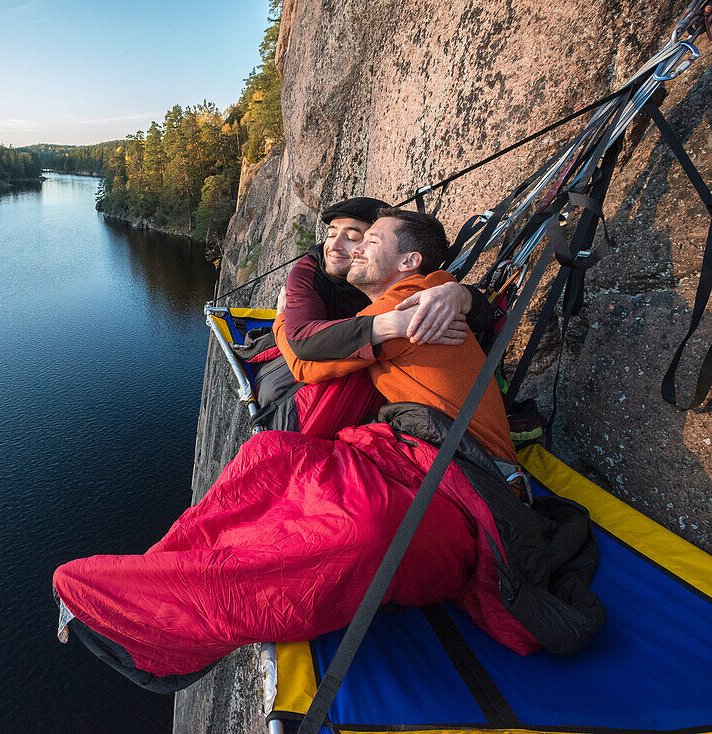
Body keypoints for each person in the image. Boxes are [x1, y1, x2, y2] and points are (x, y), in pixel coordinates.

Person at [52, 208, 602, 693]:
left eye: (370, 239)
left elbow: (310, 352)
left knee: (362, 532)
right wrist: (453, 296)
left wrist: (445, 296)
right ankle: (154, 589)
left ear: (409, 261)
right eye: (344, 238)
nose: (354, 246)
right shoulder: (407, 303)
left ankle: (145, 617)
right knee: (268, 458)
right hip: (408, 455)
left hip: (466, 486)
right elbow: (319, 342)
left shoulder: (415, 302)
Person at [269, 196, 496, 438]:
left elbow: (304, 363)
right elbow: (304, 343)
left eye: (361, 239)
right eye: (330, 233)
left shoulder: (412, 305)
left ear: (408, 260)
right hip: (454, 442)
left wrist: (460, 294)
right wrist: (390, 323)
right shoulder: (309, 272)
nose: (349, 248)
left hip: (455, 452)